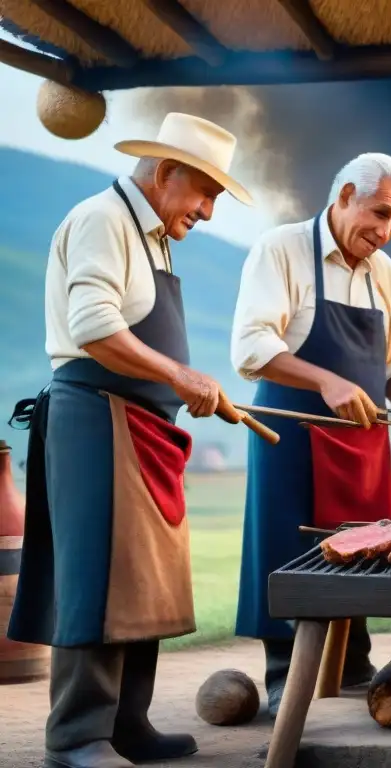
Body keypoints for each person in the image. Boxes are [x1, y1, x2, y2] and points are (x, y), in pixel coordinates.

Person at [6, 113, 252, 768]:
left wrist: (186, 390)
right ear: (166, 172)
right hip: (94, 419)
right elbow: (93, 327)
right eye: (205, 193)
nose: (206, 211)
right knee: (98, 581)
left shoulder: (154, 238)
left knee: (144, 584)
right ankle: (77, 737)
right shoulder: (103, 220)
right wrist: (179, 374)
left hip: (146, 427)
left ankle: (126, 725)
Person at [230, 152, 391, 717]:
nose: (386, 233)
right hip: (293, 432)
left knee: (364, 547)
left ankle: (353, 666)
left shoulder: (382, 271)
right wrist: (327, 382)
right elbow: (250, 347)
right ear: (344, 194)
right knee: (287, 548)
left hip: (364, 439)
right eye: (380, 214)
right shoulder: (282, 248)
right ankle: (283, 674)